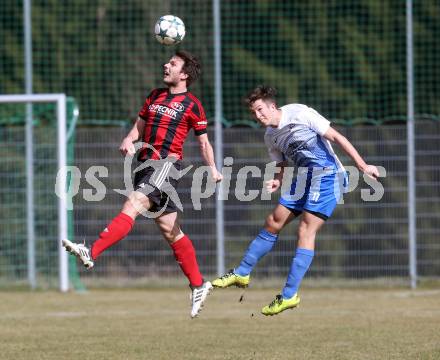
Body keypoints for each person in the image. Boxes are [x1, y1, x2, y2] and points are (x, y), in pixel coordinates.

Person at [63, 50, 223, 318]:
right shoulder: (154, 95)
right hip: (145, 165)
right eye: (168, 62)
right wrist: (129, 139)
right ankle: (198, 284)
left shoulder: (193, 105)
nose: (166, 65)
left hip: (167, 165)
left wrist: (214, 170)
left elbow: (203, 142)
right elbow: (140, 125)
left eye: (172, 64)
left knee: (134, 203)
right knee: (171, 230)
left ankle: (91, 250)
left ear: (184, 74)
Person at [212, 85, 379, 316]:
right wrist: (278, 180)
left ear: (272, 106)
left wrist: (363, 166)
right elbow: (281, 163)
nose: (258, 116)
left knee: (305, 230)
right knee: (273, 221)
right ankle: (242, 272)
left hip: (329, 176)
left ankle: (289, 296)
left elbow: (337, 137)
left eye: (261, 109)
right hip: (304, 179)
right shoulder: (270, 136)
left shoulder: (300, 114)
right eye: (254, 113)